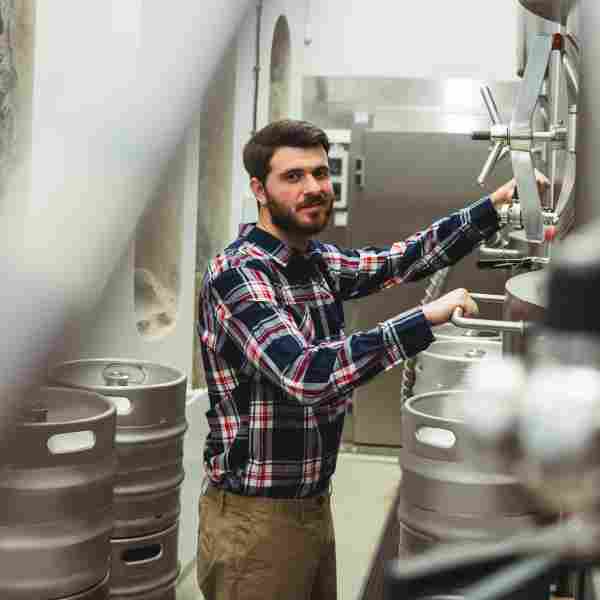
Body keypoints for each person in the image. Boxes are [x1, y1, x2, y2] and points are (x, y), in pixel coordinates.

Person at [196, 119, 547, 599]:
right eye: (293, 177)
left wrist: (490, 209)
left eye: (320, 174)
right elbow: (307, 374)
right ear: (259, 188)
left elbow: (401, 260)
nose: (314, 187)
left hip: (310, 505)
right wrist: (422, 320)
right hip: (255, 519)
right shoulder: (238, 275)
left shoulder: (312, 260)